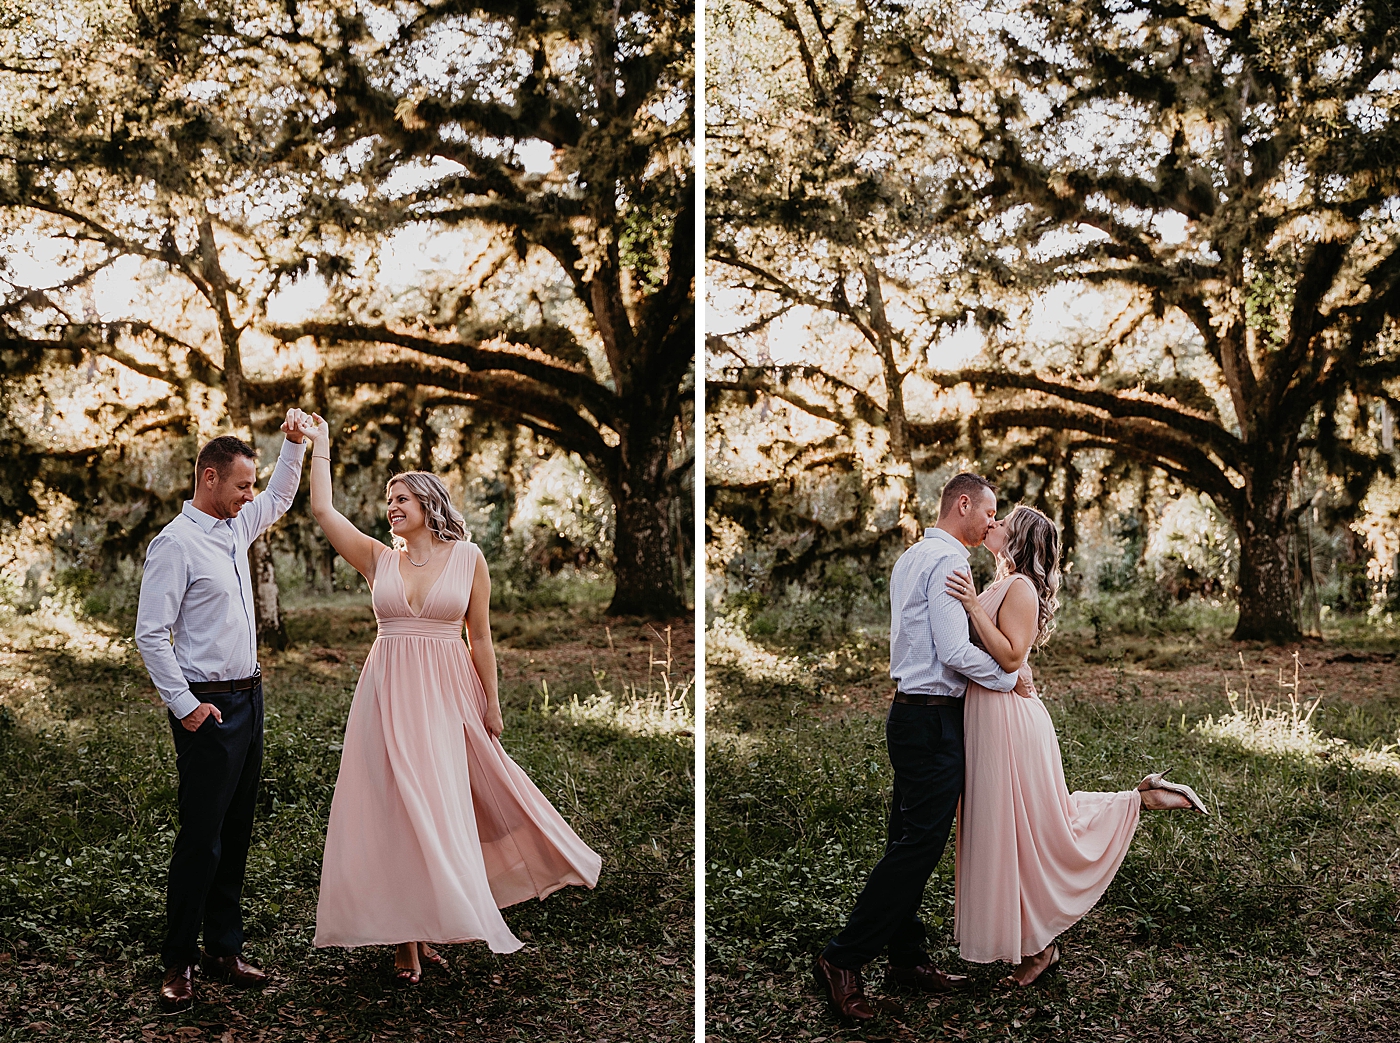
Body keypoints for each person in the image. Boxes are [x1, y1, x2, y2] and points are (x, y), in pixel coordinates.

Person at [298, 414, 602, 984]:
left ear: (429, 504)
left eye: (402, 497)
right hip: (385, 694)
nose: (391, 506)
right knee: (394, 810)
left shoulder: (468, 558)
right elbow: (322, 512)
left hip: (445, 696)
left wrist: (493, 702)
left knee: (436, 807)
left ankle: (441, 917)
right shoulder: (377, 559)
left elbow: (480, 636)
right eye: (388, 498)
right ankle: (405, 943)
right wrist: (321, 449)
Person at [946, 504, 1209, 987]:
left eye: (1004, 521)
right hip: (991, 717)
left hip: (1010, 724)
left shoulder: (1022, 587)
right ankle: (1141, 798)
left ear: (1019, 539)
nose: (994, 524)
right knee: (1013, 830)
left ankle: (1042, 947)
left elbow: (1009, 657)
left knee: (1034, 830)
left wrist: (968, 607)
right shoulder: (1007, 583)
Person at [813, 472, 1026, 1025]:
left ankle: (906, 960)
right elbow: (954, 649)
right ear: (963, 503)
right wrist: (1010, 676)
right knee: (919, 846)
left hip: (910, 715)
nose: (990, 523)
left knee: (906, 837)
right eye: (988, 512)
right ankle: (842, 959)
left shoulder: (912, 557)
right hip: (930, 721)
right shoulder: (951, 562)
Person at [134, 409, 311, 1012]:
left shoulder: (236, 528)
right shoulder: (173, 545)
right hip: (207, 709)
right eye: (241, 485)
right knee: (201, 839)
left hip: (251, 698)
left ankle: (223, 950)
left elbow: (283, 496)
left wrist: (292, 445)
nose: (249, 496)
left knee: (235, 833)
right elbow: (151, 635)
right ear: (208, 478)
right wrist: (185, 707)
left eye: (250, 486)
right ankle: (178, 962)